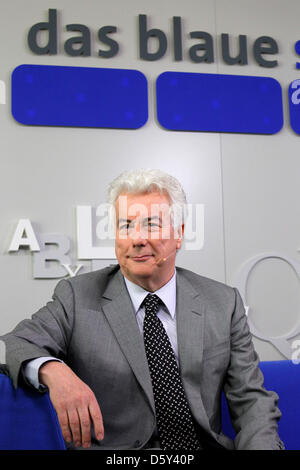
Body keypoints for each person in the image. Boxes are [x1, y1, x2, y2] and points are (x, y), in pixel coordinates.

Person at [1, 169, 284, 450]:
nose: (137, 239)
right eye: (125, 226)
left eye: (151, 225)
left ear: (179, 234)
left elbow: (251, 401)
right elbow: (19, 343)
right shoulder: (78, 297)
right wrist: (55, 371)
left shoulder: (223, 303)